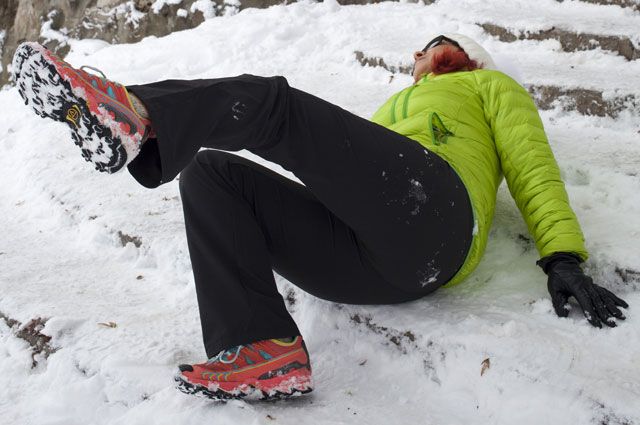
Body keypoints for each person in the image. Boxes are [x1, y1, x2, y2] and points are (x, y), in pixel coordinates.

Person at [11, 34, 629, 402]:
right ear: (412, 64)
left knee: (276, 108)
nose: (437, 48)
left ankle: (140, 116)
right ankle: (260, 349)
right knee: (210, 172)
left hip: (438, 215)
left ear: (470, 61)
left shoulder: (490, 89)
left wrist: (563, 256)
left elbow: (531, 162)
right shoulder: (392, 105)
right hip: (369, 260)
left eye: (452, 45)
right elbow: (349, 170)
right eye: (427, 46)